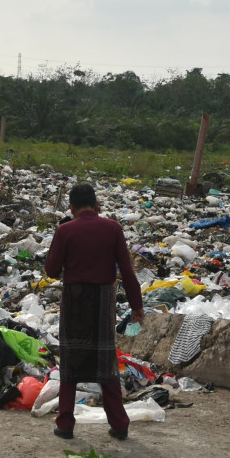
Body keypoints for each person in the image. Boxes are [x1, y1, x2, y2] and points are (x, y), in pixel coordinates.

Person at [43, 183, 144, 441]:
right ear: (97, 205)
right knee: (104, 363)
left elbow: (52, 271)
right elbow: (128, 272)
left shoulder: (65, 230)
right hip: (102, 302)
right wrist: (136, 306)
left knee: (71, 362)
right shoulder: (113, 228)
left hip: (75, 302)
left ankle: (65, 424)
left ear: (72, 207)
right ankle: (119, 424)